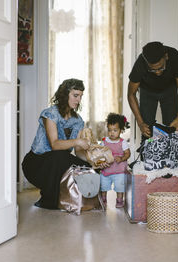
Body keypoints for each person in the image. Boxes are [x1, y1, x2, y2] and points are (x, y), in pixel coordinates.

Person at [21, 78, 91, 209]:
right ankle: (48, 199)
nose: (78, 100)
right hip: (36, 164)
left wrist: (92, 161)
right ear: (65, 94)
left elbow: (78, 152)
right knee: (59, 155)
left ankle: (73, 197)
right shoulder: (51, 114)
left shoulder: (78, 121)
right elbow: (54, 144)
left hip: (58, 163)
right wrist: (78, 141)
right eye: (75, 95)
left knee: (87, 167)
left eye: (81, 96)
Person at [127, 41, 178, 141]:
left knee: (173, 127)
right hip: (147, 91)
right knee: (147, 129)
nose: (158, 72)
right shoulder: (140, 64)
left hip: (169, 90)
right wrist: (140, 123)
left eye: (161, 68)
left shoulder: (176, 59)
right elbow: (131, 94)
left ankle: (170, 155)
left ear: (166, 56)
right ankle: (147, 155)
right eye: (153, 70)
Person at [99, 113, 130, 208]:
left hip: (119, 170)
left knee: (120, 186)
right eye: (110, 130)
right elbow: (99, 153)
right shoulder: (104, 142)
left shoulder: (122, 142)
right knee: (103, 186)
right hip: (106, 170)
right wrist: (102, 160)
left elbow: (127, 154)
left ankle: (119, 200)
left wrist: (121, 158)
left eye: (115, 130)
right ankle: (103, 199)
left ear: (121, 130)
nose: (112, 133)